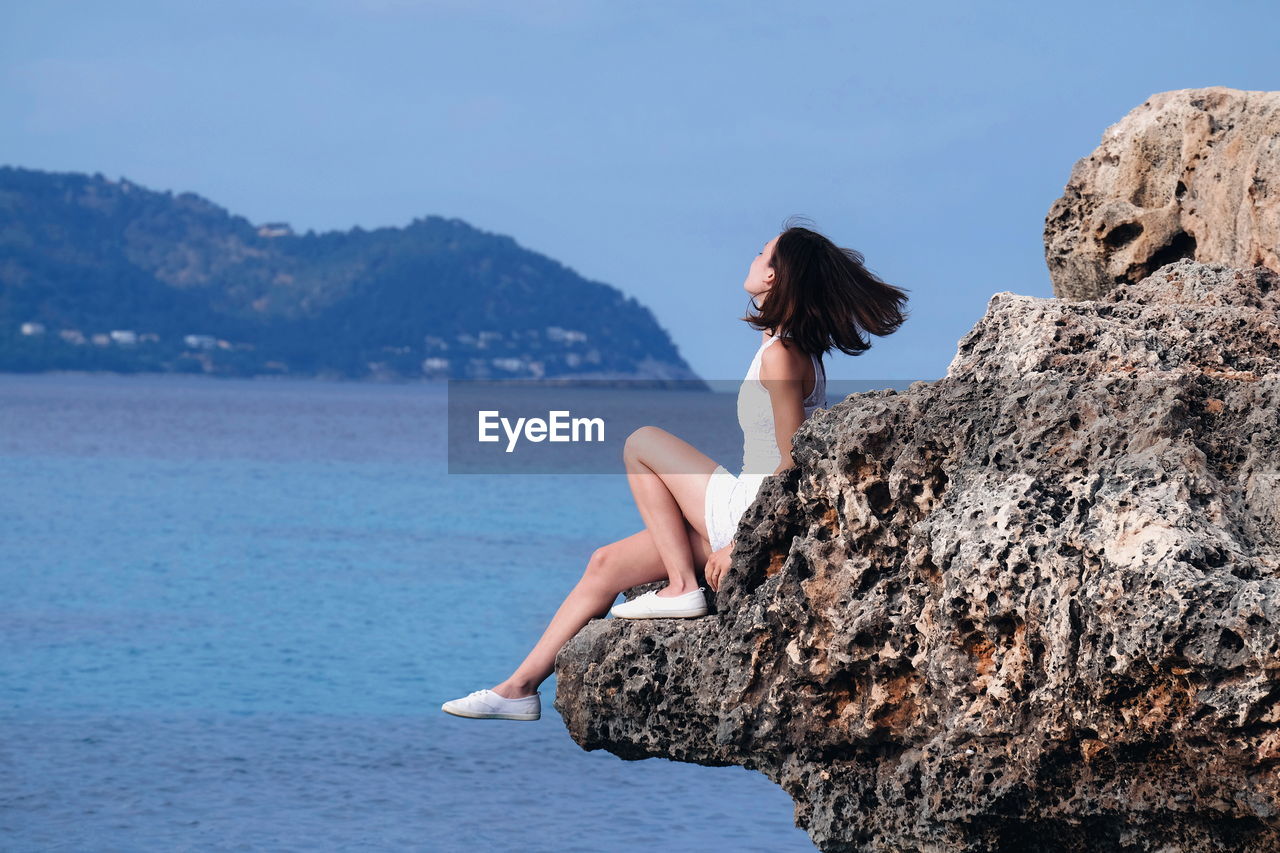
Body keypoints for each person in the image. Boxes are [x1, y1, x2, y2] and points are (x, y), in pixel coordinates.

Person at [442, 216, 910, 721]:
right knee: (605, 565)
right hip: (743, 506)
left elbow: (791, 461)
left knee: (641, 443)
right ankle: (518, 689)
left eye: (761, 253)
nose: (752, 259)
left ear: (774, 277)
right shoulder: (785, 347)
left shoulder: (783, 355)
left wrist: (743, 542)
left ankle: (683, 588)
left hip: (747, 511)